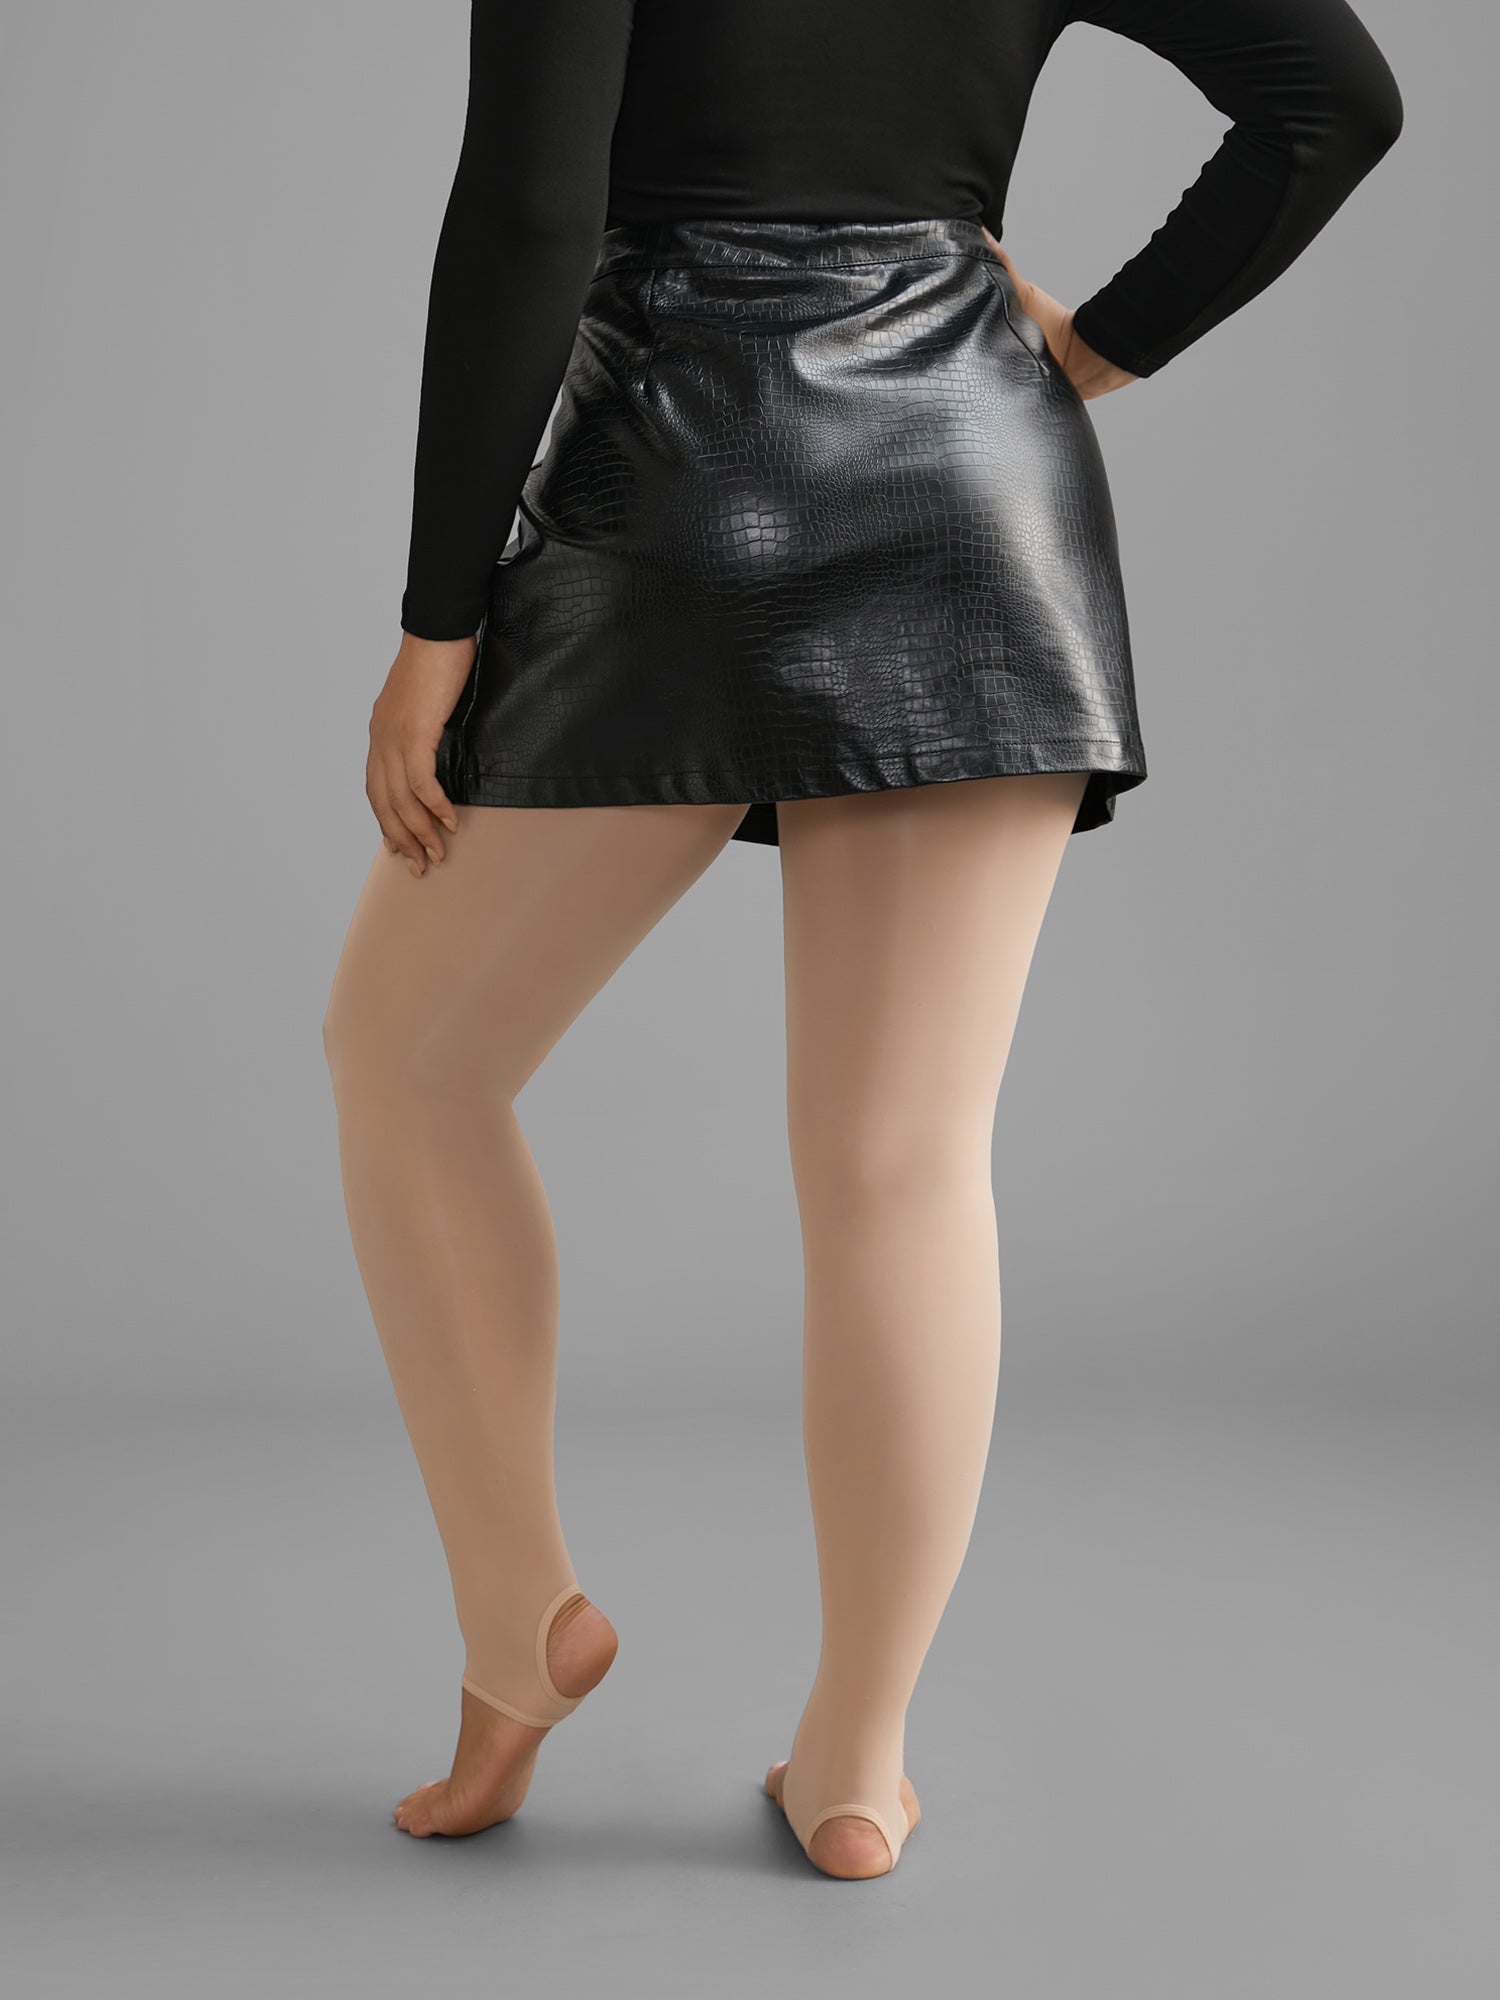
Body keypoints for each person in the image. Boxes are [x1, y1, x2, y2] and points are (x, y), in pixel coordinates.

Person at [322, 0, 1402, 1881]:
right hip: (970, 471)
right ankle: (855, 1768)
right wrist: (1095, 347)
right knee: (904, 1162)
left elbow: (529, 212)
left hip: (671, 478)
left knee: (409, 1067)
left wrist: (436, 624)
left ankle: (519, 1629)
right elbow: (1336, 100)